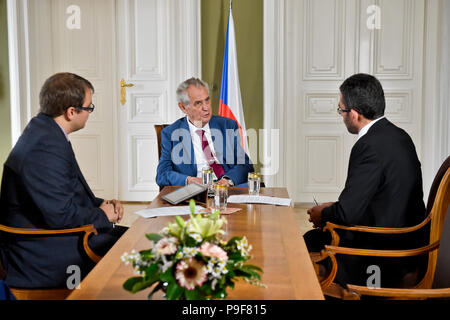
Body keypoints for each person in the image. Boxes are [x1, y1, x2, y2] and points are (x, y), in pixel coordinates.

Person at [0, 72, 127, 289]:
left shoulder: (45, 131)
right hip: (41, 251)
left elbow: (60, 194)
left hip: (49, 236)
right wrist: (101, 215)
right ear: (71, 112)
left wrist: (100, 204)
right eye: (89, 108)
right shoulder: (45, 147)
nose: (90, 113)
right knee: (135, 250)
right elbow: (60, 216)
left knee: (134, 238)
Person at [305, 73, 427, 287]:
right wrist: (334, 207)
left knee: (308, 241)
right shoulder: (399, 135)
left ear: (354, 114)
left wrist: (322, 214)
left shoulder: (369, 146)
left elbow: (347, 214)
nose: (341, 115)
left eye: (341, 110)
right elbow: (382, 197)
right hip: (406, 243)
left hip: (381, 256)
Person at [156, 77, 254, 187]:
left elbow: (245, 164)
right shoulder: (170, 133)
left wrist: (227, 180)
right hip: (195, 191)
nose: (206, 107)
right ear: (183, 107)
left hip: (227, 188)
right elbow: (162, 175)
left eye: (207, 100)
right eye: (198, 103)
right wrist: (189, 180)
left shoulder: (227, 126)